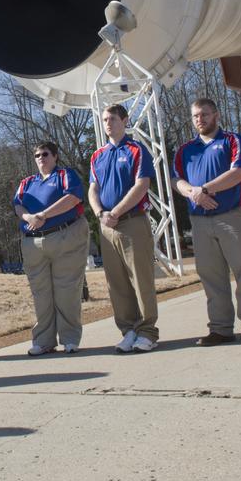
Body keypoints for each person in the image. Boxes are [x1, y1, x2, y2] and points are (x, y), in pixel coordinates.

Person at [171, 98, 241, 346]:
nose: (200, 120)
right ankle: (221, 328)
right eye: (195, 116)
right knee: (211, 277)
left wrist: (204, 189)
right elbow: (176, 180)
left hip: (231, 217)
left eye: (204, 114)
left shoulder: (233, 141)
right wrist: (193, 193)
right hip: (200, 221)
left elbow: (239, 173)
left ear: (216, 115)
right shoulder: (186, 150)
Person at [89, 104, 160, 353]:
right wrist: (100, 213)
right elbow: (93, 189)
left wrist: (116, 212)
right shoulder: (98, 155)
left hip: (132, 221)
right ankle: (128, 329)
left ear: (125, 120)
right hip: (107, 225)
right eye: (105, 119)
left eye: (113, 119)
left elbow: (141, 184)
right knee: (116, 282)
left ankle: (147, 331)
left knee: (140, 279)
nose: (108, 123)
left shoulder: (136, 149)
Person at [12, 140, 89, 355]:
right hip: (33, 242)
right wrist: (29, 217)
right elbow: (18, 205)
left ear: (55, 156)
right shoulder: (27, 182)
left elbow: (72, 198)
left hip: (65, 237)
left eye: (45, 154)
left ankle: (70, 339)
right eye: (37, 155)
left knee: (66, 290)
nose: (41, 159)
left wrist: (43, 215)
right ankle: (44, 341)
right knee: (41, 294)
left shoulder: (65, 175)